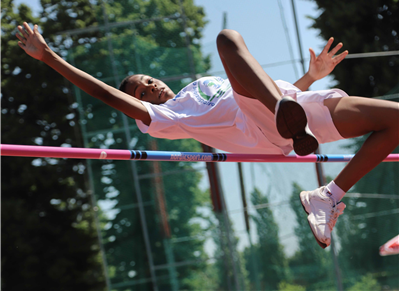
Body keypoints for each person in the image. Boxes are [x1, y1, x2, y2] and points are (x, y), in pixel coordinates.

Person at [16, 22, 399, 249]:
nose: (151, 89)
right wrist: (50, 58)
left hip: (294, 106)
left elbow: (259, 90)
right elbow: (106, 94)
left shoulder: (197, 86)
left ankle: (327, 196)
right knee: (228, 39)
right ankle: (283, 112)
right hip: (265, 125)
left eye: (149, 81)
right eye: (142, 92)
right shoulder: (166, 117)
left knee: (395, 121)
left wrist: (311, 78)